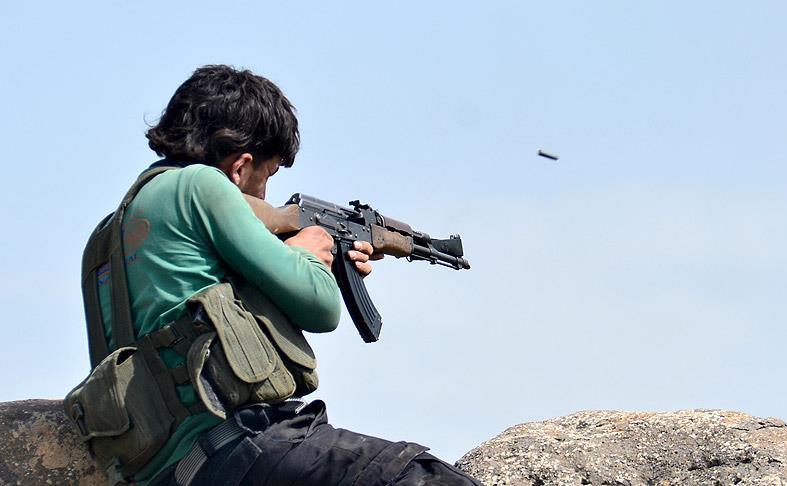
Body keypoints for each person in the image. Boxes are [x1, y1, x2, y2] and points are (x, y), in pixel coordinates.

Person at [69, 65, 480, 486]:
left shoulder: (106, 238)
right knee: (424, 477)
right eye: (268, 175)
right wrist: (310, 255)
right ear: (240, 167)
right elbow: (321, 308)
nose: (265, 193)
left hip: (166, 474)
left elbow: (192, 318)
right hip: (238, 448)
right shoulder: (200, 185)